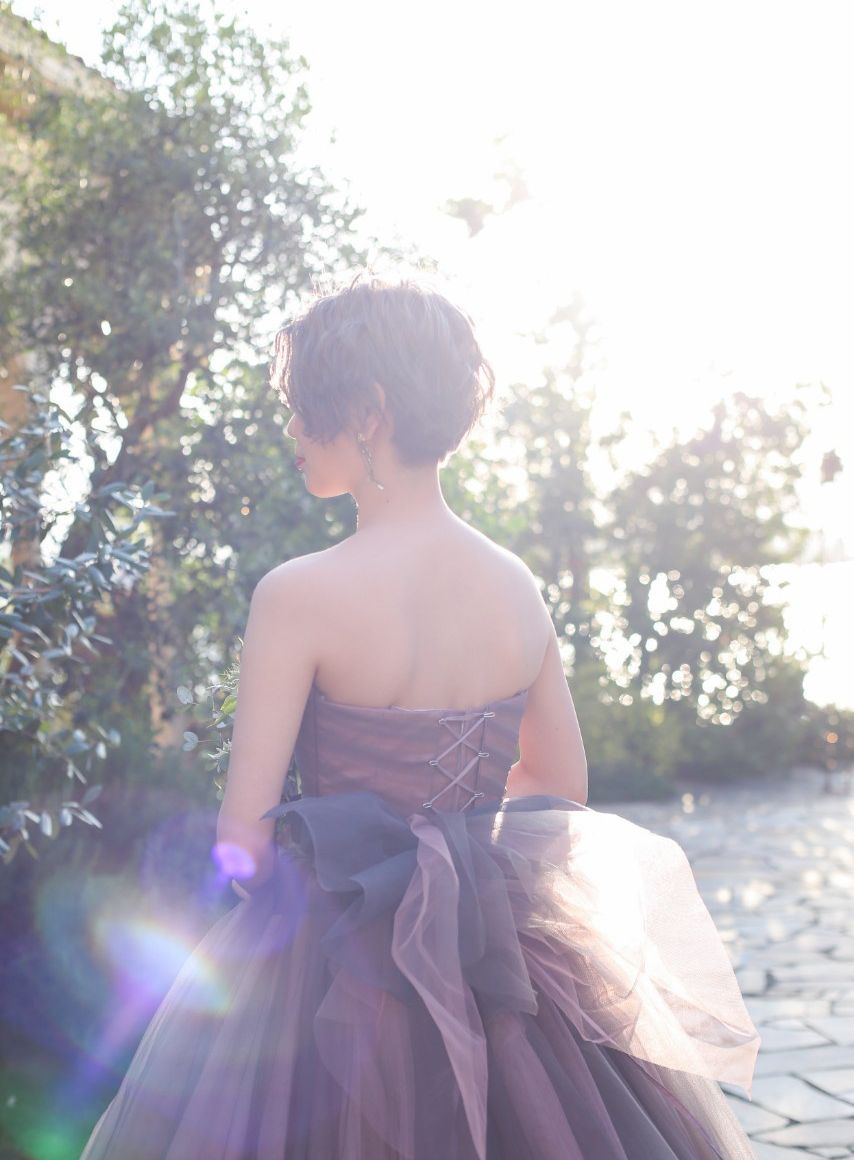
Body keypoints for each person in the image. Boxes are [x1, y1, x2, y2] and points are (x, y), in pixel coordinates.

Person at [82, 270, 761, 1159]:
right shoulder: (515, 586)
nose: (292, 431)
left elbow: (243, 841)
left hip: (326, 969)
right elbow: (560, 790)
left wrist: (306, 930)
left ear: (368, 412)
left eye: (304, 408)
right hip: (492, 960)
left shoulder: (298, 595)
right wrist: (459, 874)